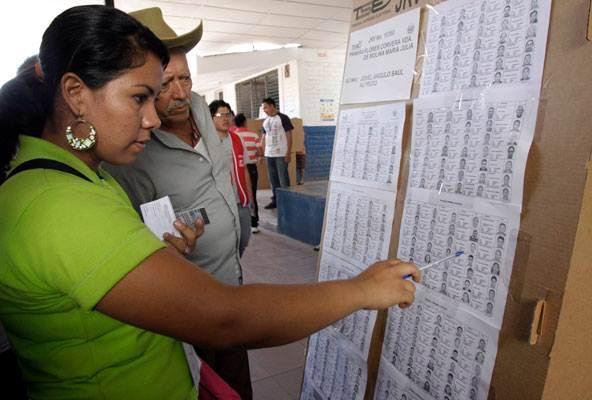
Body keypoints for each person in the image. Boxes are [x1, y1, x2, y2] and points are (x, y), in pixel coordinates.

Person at [0, 5, 421, 400]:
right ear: (75, 93)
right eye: (139, 97)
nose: (151, 117)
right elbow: (226, 318)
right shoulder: (57, 204)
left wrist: (156, 255)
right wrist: (360, 290)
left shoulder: (83, 175)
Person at [102, 9, 254, 395]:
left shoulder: (201, 107)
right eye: (165, 85)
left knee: (239, 385)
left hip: (233, 282)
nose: (181, 93)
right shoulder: (132, 155)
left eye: (185, 78)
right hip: (192, 307)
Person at [209, 100, 253, 259]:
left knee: (243, 239)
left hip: (239, 200)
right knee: (223, 243)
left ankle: (235, 269)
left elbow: (245, 169)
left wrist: (251, 200)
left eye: (228, 114)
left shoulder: (237, 139)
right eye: (221, 115)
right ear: (211, 118)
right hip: (218, 203)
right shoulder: (205, 142)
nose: (225, 118)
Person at [261, 97, 293, 209]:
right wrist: (261, 151)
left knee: (283, 178)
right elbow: (264, 136)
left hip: (281, 153)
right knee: (272, 179)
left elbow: (289, 135)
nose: (264, 110)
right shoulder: (265, 121)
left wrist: (288, 152)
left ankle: (287, 201)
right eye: (263, 108)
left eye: (265, 107)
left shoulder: (283, 118)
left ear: (272, 106)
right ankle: (276, 200)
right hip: (269, 154)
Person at [234, 113, 261, 233]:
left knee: (238, 195)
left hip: (237, 168)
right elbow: (260, 151)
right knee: (252, 194)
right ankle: (254, 223)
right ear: (245, 122)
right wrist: (254, 155)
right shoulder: (253, 135)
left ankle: (239, 223)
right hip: (251, 167)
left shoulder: (233, 136)